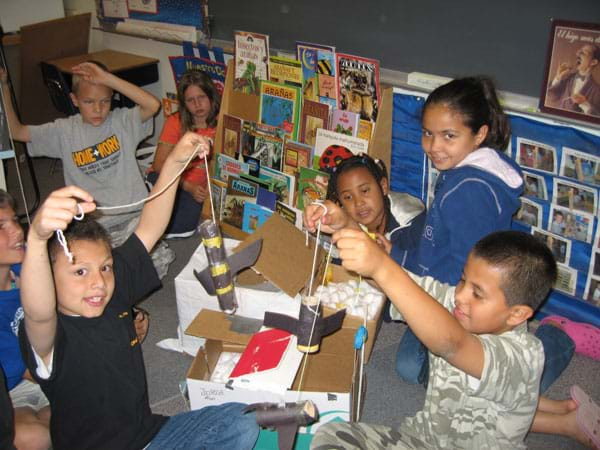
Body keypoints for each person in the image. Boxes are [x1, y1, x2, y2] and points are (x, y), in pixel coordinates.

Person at [17, 132, 259, 450]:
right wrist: (36, 237)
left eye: (104, 267)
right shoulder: (49, 334)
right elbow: (37, 312)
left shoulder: (110, 289)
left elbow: (149, 228)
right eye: (79, 272)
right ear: (48, 278)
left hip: (149, 436)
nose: (97, 282)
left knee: (244, 420)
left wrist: (174, 162)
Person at [311, 229, 599, 449]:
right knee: (330, 436)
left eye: (477, 292)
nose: (460, 295)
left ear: (517, 314)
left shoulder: (524, 355)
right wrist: (348, 231)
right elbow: (409, 287)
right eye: (463, 280)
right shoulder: (461, 306)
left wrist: (382, 268)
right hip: (422, 440)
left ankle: (561, 338)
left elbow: (452, 343)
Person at [392, 76, 574, 390]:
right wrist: (397, 246)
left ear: (479, 135)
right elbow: (432, 227)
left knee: (426, 371)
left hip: (467, 302)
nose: (434, 147)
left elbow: (472, 281)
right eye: (427, 134)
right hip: (441, 287)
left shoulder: (470, 191)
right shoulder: (458, 171)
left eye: (448, 136)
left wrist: (412, 284)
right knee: (413, 360)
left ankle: (555, 341)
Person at [0, 63, 175, 279]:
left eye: (105, 101)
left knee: (153, 267)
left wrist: (108, 79)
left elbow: (152, 105)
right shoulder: (64, 131)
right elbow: (17, 131)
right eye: (88, 102)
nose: (98, 109)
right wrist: (5, 87)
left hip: (135, 217)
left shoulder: (121, 121)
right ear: (74, 100)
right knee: (86, 272)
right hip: (95, 225)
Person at [0, 190, 50, 450]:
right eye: (1, 227)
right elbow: (24, 371)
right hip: (12, 392)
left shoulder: (28, 260)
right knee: (31, 438)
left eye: (14, 221)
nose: (17, 232)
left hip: (45, 370)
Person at [147, 70, 221, 238]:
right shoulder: (176, 121)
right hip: (172, 180)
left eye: (202, 97)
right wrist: (189, 186)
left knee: (188, 223)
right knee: (174, 224)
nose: (197, 105)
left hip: (198, 188)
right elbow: (158, 165)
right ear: (184, 103)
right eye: (190, 100)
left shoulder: (221, 121)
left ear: (211, 96)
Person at [547, 43, 600, 117]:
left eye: (584, 52)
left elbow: (596, 117)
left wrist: (584, 103)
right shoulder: (567, 77)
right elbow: (551, 96)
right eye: (580, 51)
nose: (578, 53)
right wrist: (558, 77)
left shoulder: (597, 90)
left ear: (593, 62)